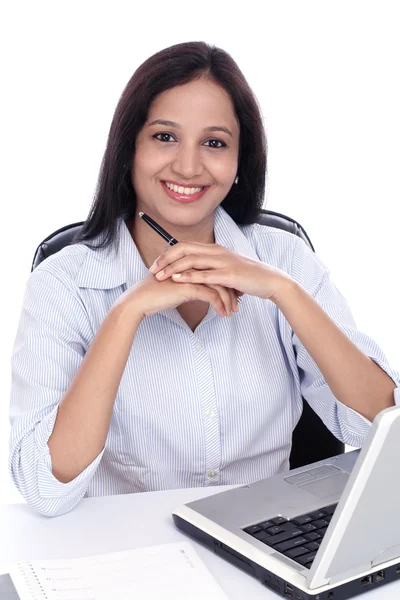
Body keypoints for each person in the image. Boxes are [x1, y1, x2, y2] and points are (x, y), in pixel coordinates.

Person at [9, 41, 400, 518]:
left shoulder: (283, 258)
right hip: (127, 554)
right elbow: (46, 488)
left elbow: (384, 432)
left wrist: (282, 290)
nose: (189, 167)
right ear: (129, 148)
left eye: (214, 143)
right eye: (164, 137)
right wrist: (126, 313)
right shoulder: (64, 283)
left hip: (265, 540)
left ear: (239, 163)